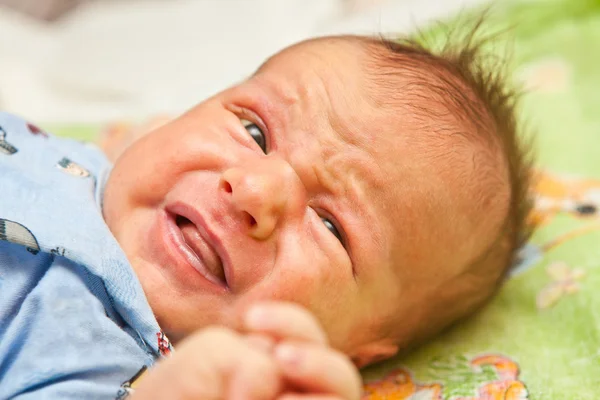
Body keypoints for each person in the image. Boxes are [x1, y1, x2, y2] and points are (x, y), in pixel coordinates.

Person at [0, 28, 533, 399]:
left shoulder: (127, 370)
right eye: (254, 130)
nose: (254, 191)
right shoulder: (80, 161)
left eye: (332, 227)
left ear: (352, 351)